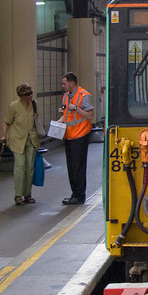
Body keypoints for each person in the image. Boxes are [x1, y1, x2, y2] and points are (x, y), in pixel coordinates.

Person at [0, 83, 41, 205]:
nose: (30, 95)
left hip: (31, 139)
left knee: (29, 168)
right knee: (20, 167)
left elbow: (36, 120)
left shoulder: (34, 104)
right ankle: (18, 195)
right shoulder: (14, 106)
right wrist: (4, 135)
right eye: (27, 94)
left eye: (31, 93)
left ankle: (27, 194)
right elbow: (6, 122)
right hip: (17, 140)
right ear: (21, 96)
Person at [59, 71, 93, 204]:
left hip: (80, 135)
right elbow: (66, 113)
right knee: (71, 166)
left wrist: (76, 108)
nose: (63, 86)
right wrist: (59, 121)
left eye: (64, 83)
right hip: (69, 135)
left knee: (78, 166)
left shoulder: (84, 96)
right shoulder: (66, 97)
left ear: (72, 83)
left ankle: (79, 195)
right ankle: (74, 193)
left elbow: (89, 115)